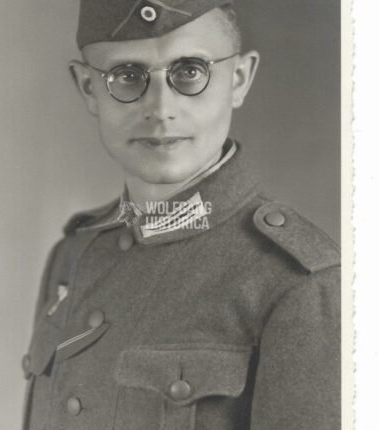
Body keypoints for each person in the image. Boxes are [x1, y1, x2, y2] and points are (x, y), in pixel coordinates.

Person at [22, 1, 341, 429]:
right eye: (126, 76)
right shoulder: (72, 255)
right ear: (88, 89)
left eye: (190, 71)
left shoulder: (297, 284)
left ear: (239, 79)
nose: (159, 109)